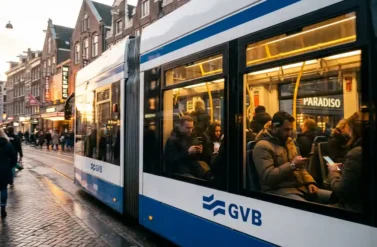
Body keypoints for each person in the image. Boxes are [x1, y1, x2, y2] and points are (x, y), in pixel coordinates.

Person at [253, 111, 331, 203]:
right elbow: (267, 177)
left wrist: (310, 182)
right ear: (275, 127)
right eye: (286, 130)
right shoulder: (262, 146)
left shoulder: (289, 142)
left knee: (334, 197)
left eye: (290, 129)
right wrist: (292, 165)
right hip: (279, 191)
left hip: (300, 188)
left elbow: (301, 168)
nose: (289, 133)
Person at [328, 112, 363, 212]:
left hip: (354, 206)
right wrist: (340, 167)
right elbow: (355, 171)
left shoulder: (356, 153)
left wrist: (333, 172)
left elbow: (341, 191)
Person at [0, 128, 17, 218]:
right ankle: (3, 208)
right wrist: (9, 166)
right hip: (4, 170)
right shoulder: (8, 145)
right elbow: (14, 158)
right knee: (3, 188)